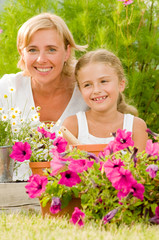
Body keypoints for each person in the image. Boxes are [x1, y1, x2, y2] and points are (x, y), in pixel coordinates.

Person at [0, 12, 88, 180]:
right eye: (32, 50)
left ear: (67, 51)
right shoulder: (7, 89)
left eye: (51, 49)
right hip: (13, 198)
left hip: (74, 195)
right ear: (22, 52)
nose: (41, 59)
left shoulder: (86, 91)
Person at [62, 49, 148, 152]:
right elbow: (64, 165)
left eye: (103, 81)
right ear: (80, 90)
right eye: (87, 85)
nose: (96, 90)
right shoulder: (73, 125)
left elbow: (139, 166)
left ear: (121, 84)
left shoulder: (136, 127)